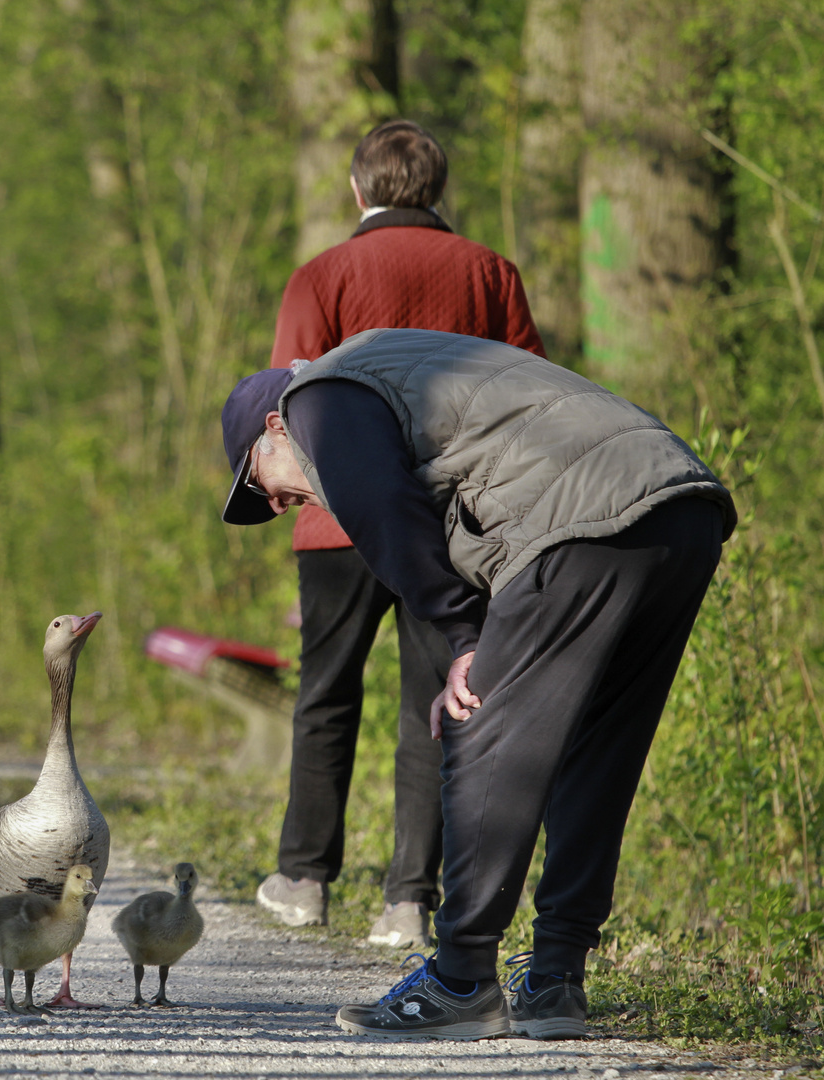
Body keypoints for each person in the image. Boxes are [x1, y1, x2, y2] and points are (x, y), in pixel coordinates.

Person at [220, 328, 735, 1040]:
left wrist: (466, 642)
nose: (276, 506)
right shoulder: (393, 369)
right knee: (599, 748)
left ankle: (462, 978)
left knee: (481, 729)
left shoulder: (318, 396)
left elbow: (386, 518)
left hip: (581, 518)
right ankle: (555, 978)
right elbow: (456, 520)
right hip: (681, 505)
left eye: (258, 484)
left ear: (275, 426)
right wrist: (471, 635)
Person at [257, 119, 545, 951]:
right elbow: (525, 392)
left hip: (336, 520)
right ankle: (408, 901)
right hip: (453, 523)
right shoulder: (489, 272)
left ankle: (305, 878)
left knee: (325, 697)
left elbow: (286, 400)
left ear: (357, 192)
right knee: (439, 701)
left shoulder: (321, 275)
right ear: (439, 191)